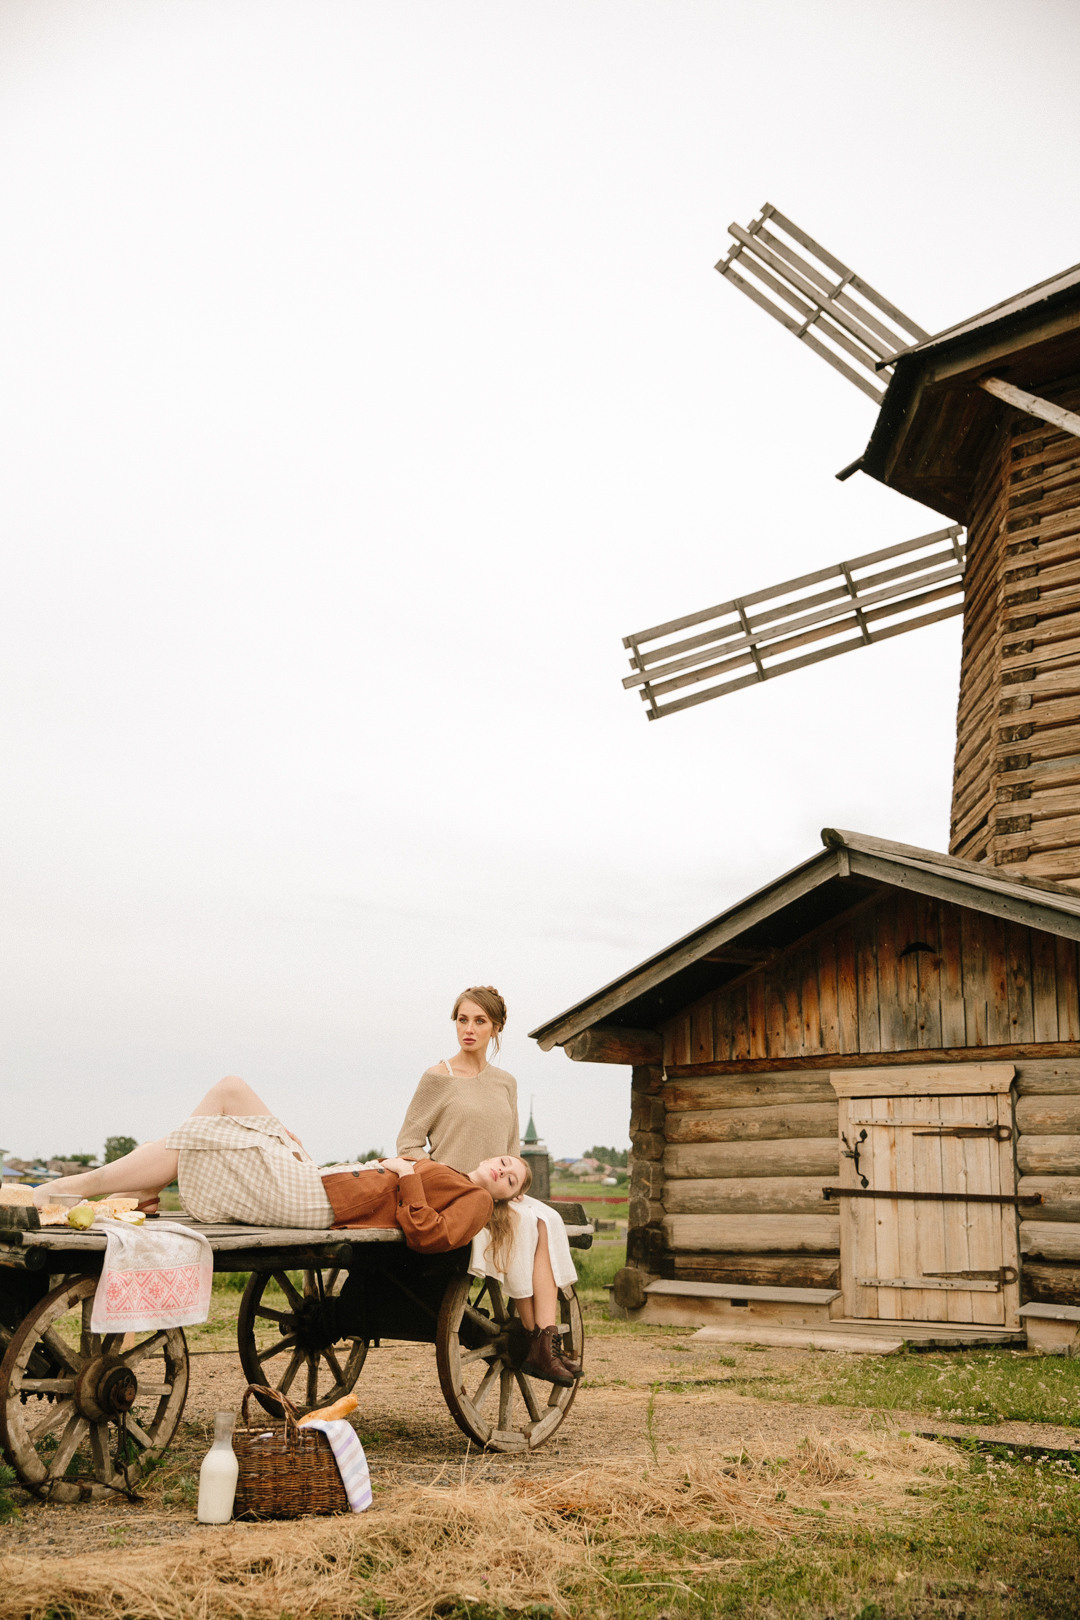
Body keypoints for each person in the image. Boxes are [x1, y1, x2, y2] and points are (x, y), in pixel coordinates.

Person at [38, 1075, 573, 1384]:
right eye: (506, 1161)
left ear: (509, 1196)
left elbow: (430, 1236)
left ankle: (80, 1187)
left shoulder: (475, 1199)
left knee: (221, 1103)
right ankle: (116, 1185)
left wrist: (408, 1177)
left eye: (512, 1179)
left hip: (317, 1200)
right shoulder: (455, 1173)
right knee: (228, 1104)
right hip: (320, 1180)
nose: (503, 1169)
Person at [397, 986, 580, 1382]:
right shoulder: (437, 1078)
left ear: (495, 1028)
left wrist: (513, 1188)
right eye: (463, 1019)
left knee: (546, 1221)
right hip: (455, 1193)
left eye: (479, 1021)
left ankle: (541, 1340)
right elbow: (408, 1144)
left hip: (499, 1190)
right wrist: (443, 1178)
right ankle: (537, 1340)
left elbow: (512, 1149)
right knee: (530, 1225)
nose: (469, 1029)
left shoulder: (505, 1083)